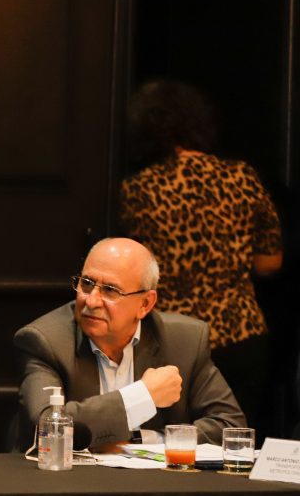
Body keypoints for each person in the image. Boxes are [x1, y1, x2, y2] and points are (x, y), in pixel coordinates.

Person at [120, 79, 282, 431]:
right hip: (241, 331)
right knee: (237, 440)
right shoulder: (242, 177)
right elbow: (270, 262)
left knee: (171, 440)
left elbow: (131, 266)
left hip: (173, 337)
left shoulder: (140, 188)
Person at [13, 237, 244, 450]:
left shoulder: (185, 341)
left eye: (110, 290)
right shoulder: (45, 341)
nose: (91, 301)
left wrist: (143, 440)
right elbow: (46, 426)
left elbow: (229, 426)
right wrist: (144, 395)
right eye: (87, 283)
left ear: (145, 304)